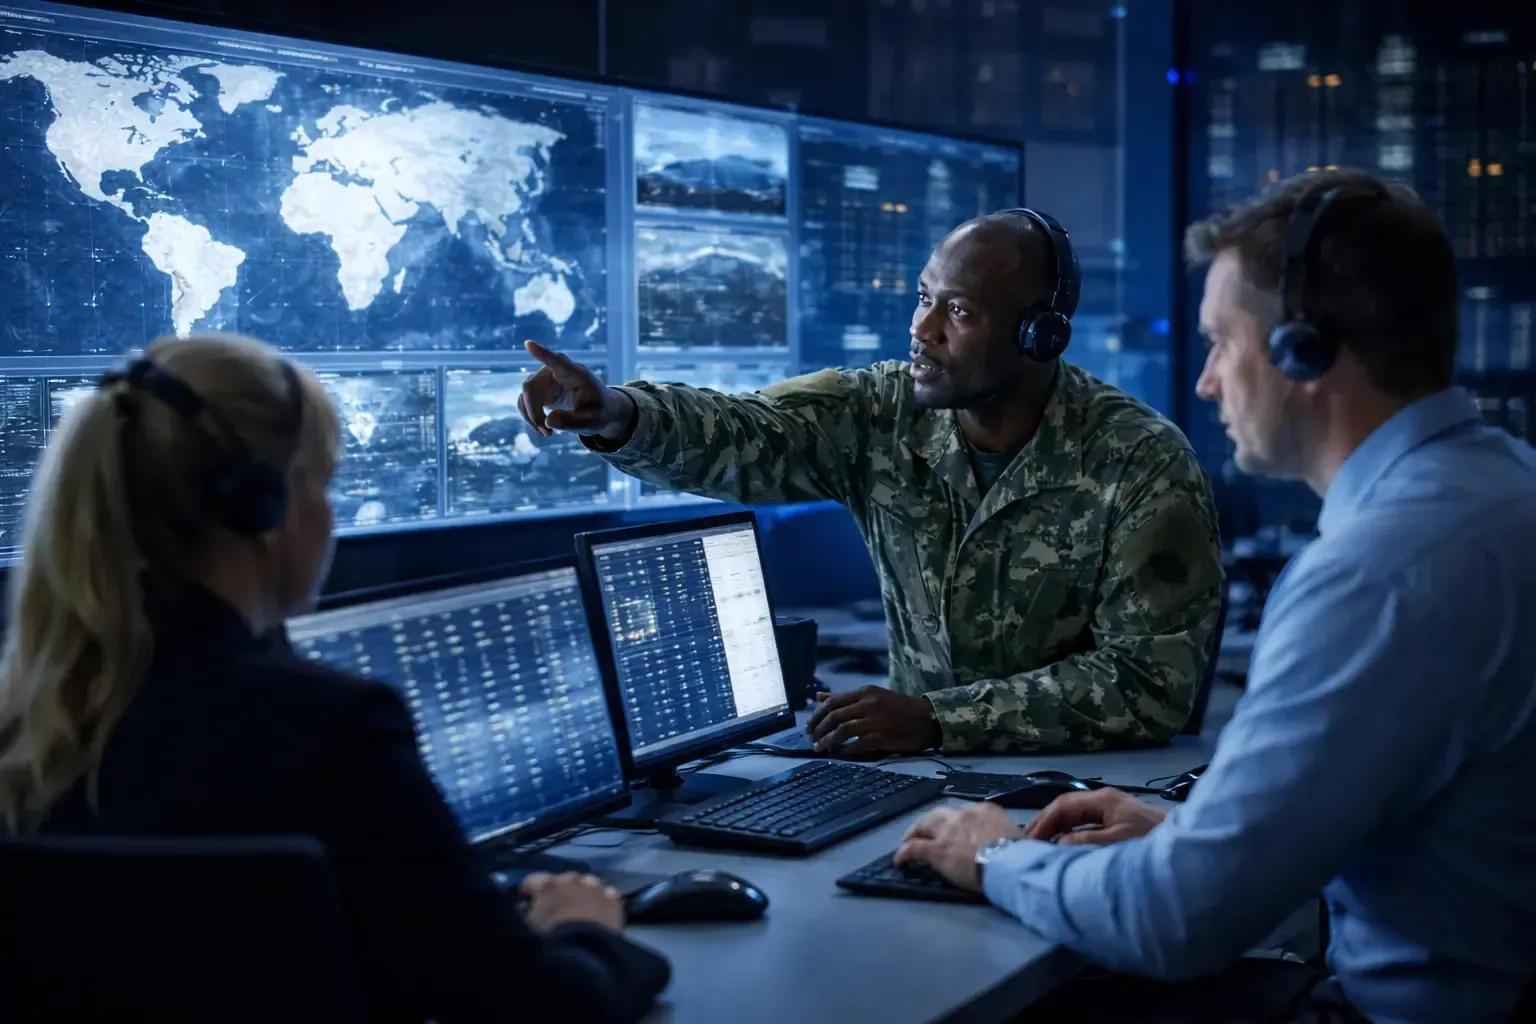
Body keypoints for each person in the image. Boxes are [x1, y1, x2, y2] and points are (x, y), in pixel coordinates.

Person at [893, 169, 1536, 1024]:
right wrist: (1194, 842)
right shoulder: (1501, 489)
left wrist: (998, 855)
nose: (1206, 383)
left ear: (1304, 350)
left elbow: (1176, 922)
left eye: (1220, 343)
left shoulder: (1378, 574)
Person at [0, 333, 670, 1023]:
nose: (330, 514)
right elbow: (542, 1007)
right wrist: (582, 927)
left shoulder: (26, 718)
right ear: (260, 508)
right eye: (323, 483)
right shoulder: (323, 727)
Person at [519, 209, 1223, 756]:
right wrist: (618, 412)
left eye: (958, 312)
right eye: (923, 297)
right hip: (919, 782)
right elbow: (746, 429)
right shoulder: (882, 412)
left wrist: (936, 719)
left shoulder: (1139, 461)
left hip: (1077, 793)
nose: (920, 329)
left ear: (1040, 336)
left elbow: (1148, 685)